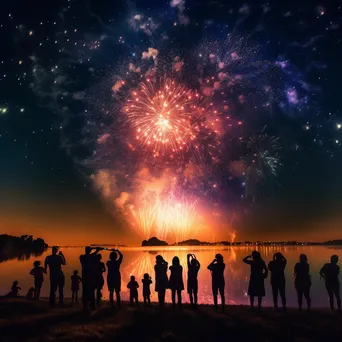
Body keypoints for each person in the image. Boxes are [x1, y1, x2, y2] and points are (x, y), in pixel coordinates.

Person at [80, 246, 102, 310]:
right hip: (90, 276)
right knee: (91, 291)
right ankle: (92, 306)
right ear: (90, 250)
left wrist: (91, 249)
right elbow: (93, 254)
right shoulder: (91, 257)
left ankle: (85, 306)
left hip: (84, 276)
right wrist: (96, 249)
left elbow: (92, 254)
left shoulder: (82, 257)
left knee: (85, 291)